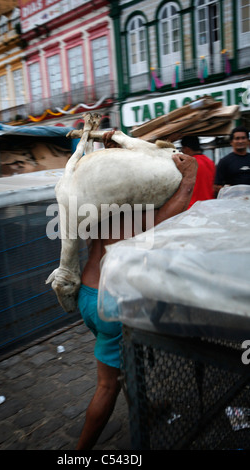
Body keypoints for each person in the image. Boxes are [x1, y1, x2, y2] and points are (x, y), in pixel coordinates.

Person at [75, 131, 198, 450]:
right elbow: (164, 220)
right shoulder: (136, 200)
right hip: (112, 303)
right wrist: (188, 180)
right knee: (106, 386)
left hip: (87, 297)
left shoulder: (100, 200)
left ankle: (146, 407)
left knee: (123, 361)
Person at [180, 135, 215, 209]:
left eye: (182, 149)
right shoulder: (210, 162)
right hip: (209, 206)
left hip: (192, 209)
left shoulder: (188, 164)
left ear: (186, 149)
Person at [214, 126, 250, 196]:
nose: (240, 141)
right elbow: (216, 186)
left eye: (243, 138)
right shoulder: (224, 161)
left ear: (248, 141)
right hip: (233, 203)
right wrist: (232, 190)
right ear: (231, 142)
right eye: (237, 139)